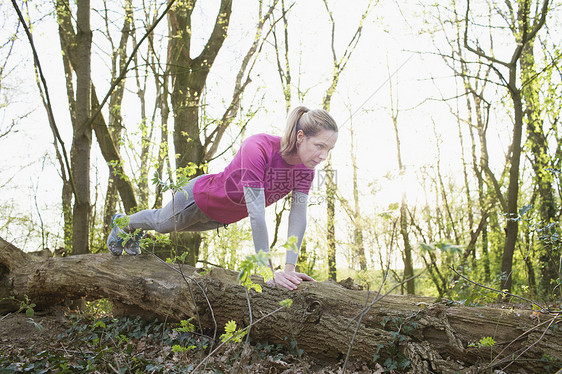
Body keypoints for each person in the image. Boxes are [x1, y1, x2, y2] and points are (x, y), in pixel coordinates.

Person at [107, 106, 338, 290]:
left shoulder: (306, 170)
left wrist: (289, 269)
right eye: (320, 146)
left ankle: (133, 229)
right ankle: (122, 223)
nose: (324, 156)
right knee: (161, 224)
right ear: (300, 137)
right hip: (199, 198)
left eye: (329, 150)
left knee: (163, 226)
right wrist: (268, 272)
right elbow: (257, 215)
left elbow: (298, 216)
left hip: (221, 218)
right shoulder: (258, 147)